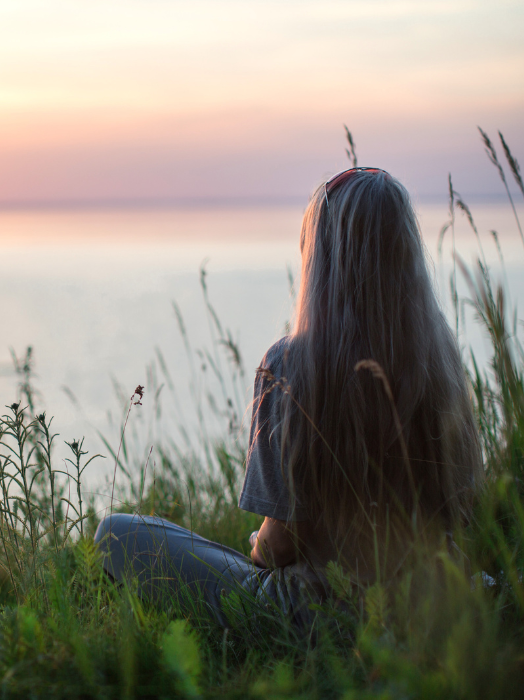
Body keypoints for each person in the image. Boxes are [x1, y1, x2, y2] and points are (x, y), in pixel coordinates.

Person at [94, 167, 483, 628]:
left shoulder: (293, 365)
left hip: (318, 614)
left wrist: (257, 543)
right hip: (432, 606)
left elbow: (280, 547)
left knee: (119, 534)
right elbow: (465, 515)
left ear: (321, 258)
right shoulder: (441, 363)